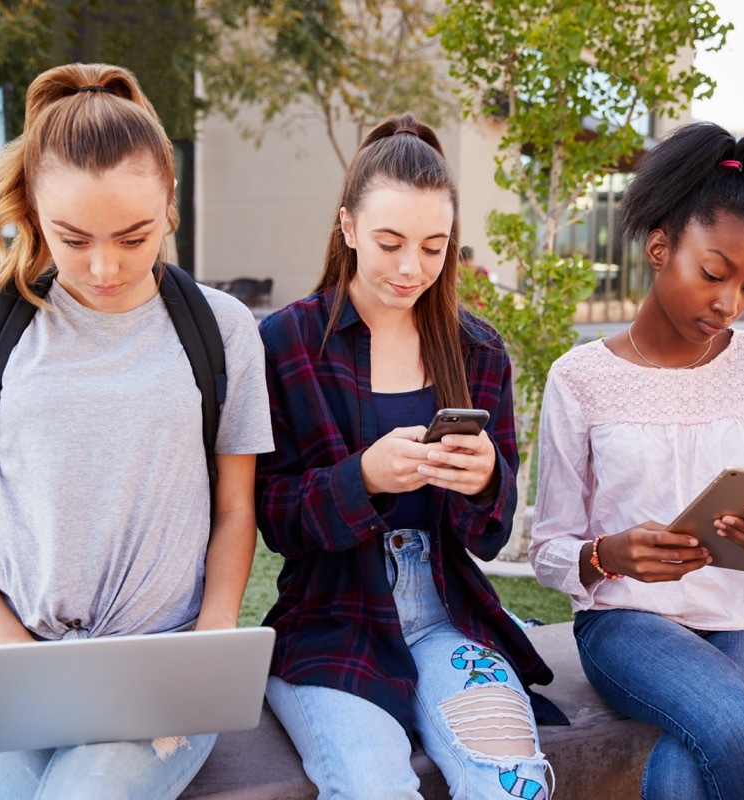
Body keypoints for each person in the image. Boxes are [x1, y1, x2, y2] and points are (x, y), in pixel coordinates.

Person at [0, 63, 273, 800]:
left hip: (161, 671)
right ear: (31, 210)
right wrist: (9, 650)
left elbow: (235, 509)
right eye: (72, 238)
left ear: (169, 203)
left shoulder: (223, 330)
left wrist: (210, 646)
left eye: (134, 237)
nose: (104, 267)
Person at [530, 122, 744, 800]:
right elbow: (549, 546)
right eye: (713, 274)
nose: (729, 304)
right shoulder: (579, 377)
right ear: (660, 247)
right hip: (626, 623)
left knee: (684, 771)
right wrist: (605, 555)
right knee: (733, 723)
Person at [256, 113, 558, 800]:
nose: (410, 268)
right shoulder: (286, 343)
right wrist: (360, 479)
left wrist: (487, 482)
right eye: (389, 242)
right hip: (332, 619)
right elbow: (270, 515)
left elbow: (493, 530)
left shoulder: (477, 351)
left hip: (448, 610)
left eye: (433, 247)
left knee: (513, 787)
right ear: (348, 226)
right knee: (372, 788)